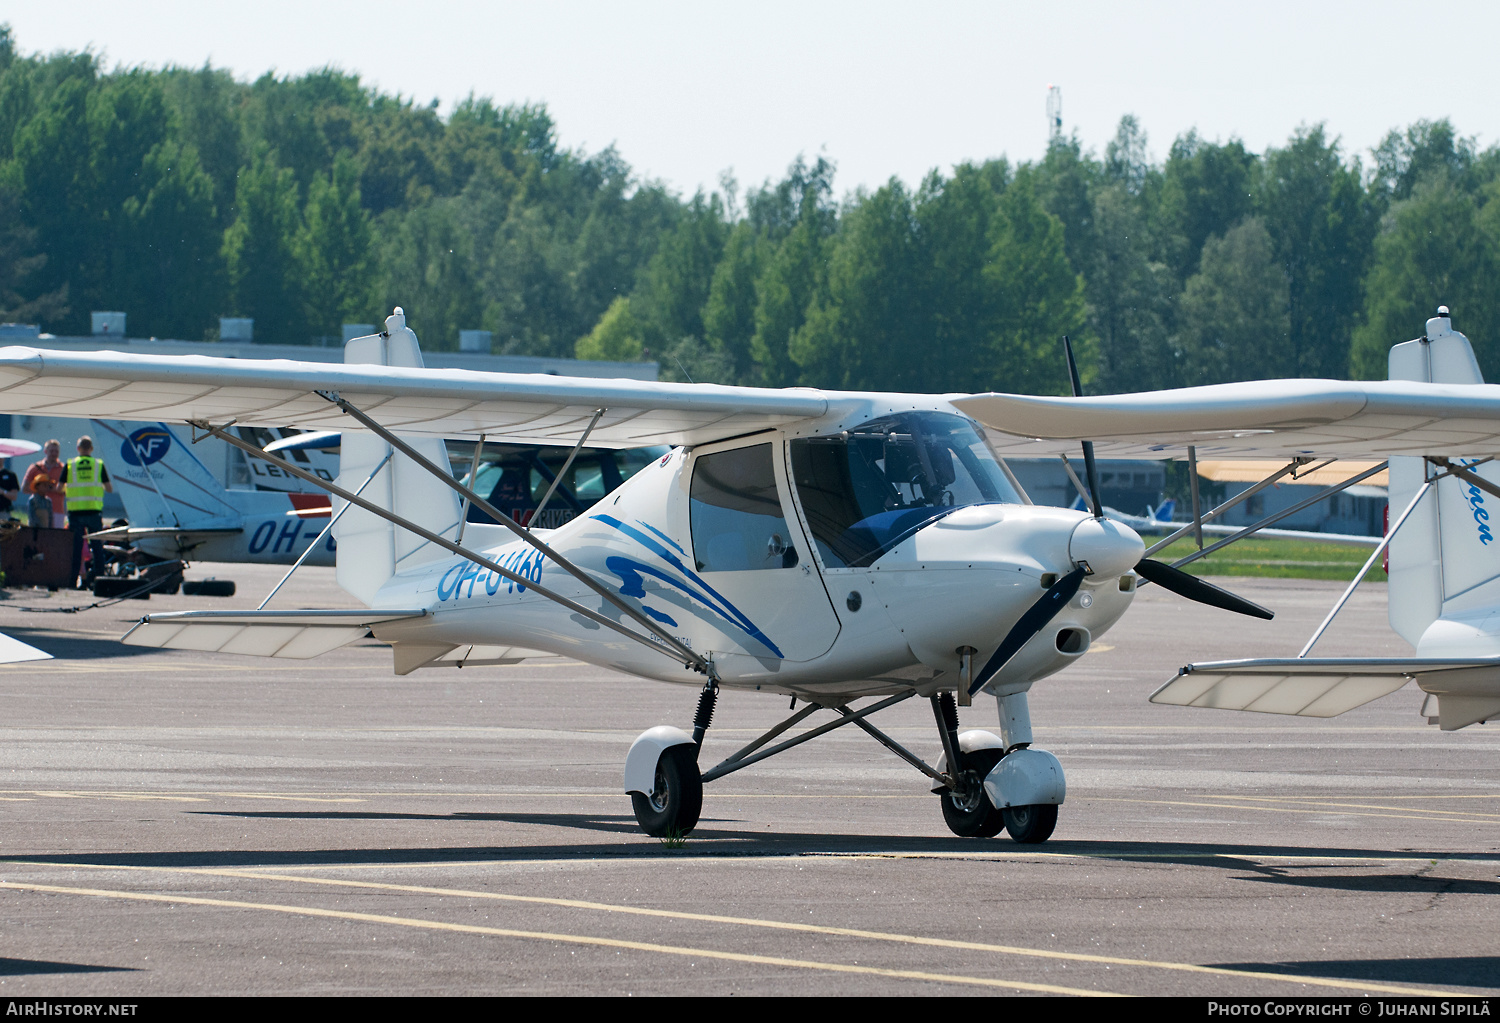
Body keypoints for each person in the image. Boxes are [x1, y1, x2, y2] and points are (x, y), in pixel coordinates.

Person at [61, 435, 112, 588]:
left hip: (75, 513)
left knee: (76, 550)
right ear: (91, 449)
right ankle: (100, 582)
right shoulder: (98, 465)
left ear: (78, 449)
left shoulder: (70, 465)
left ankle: (72, 583)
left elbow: (58, 488)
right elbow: (109, 488)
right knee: (97, 548)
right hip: (94, 512)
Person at [22, 439, 65, 528]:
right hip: (38, 508)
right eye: (51, 451)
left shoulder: (63, 468)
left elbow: (69, 489)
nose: (54, 453)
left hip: (57, 511)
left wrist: (53, 490)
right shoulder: (35, 468)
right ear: (45, 451)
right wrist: (39, 489)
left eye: (56, 451)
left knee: (56, 538)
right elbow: (24, 488)